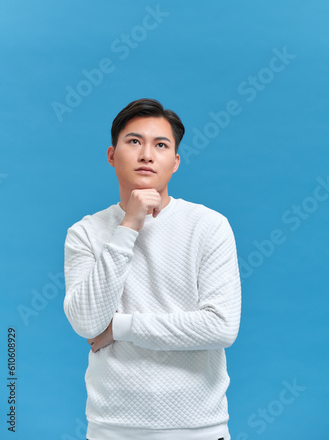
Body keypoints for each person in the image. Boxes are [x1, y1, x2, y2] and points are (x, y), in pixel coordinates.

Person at [63, 98, 241, 440]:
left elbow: (221, 327)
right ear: (112, 155)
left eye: (160, 145)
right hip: (111, 429)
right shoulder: (85, 233)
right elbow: (86, 322)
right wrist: (129, 225)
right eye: (134, 142)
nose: (147, 154)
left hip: (199, 428)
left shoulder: (209, 226)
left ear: (174, 162)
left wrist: (120, 327)